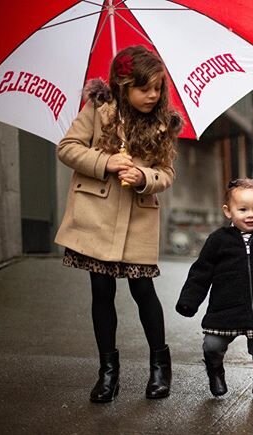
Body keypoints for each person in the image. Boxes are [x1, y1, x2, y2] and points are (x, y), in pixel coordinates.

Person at [55, 45, 183, 403]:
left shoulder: (162, 122)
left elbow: (167, 173)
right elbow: (67, 148)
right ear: (124, 85)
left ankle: (160, 366)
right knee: (102, 291)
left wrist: (143, 175)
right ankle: (108, 372)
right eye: (145, 88)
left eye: (158, 88)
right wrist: (106, 162)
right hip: (96, 217)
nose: (153, 95)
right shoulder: (99, 110)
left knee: (144, 292)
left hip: (137, 218)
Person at [176, 178, 253, 403]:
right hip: (225, 308)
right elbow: (201, 272)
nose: (250, 214)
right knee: (212, 345)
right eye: (242, 209)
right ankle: (215, 369)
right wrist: (189, 301)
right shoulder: (218, 241)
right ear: (228, 211)